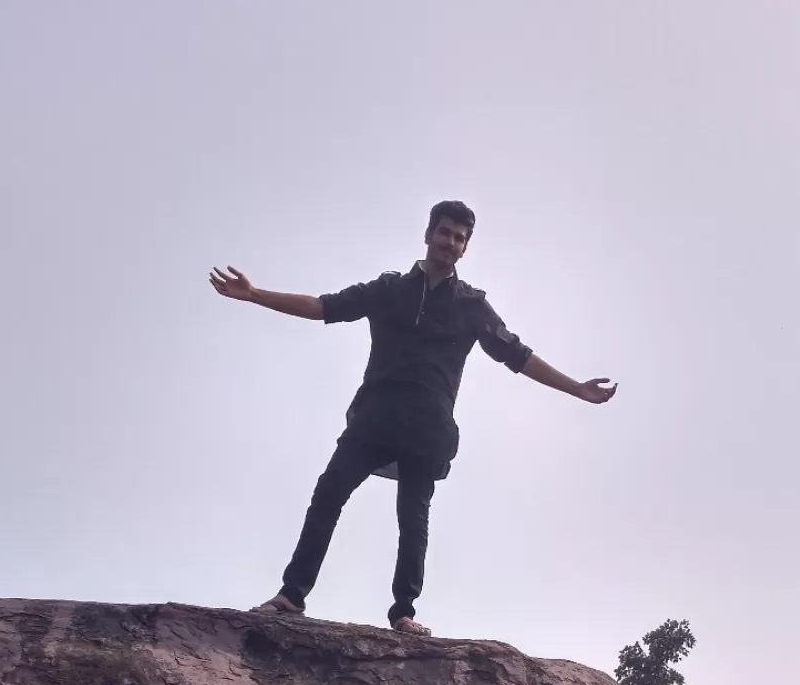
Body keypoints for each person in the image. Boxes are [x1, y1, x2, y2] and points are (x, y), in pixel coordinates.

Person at [209, 200, 617, 636]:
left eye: (460, 238)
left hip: (428, 428)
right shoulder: (389, 290)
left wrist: (575, 388)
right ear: (428, 234)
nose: (450, 243)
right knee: (328, 494)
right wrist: (255, 295)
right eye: (445, 232)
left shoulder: (472, 306)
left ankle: (404, 613)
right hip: (374, 417)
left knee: (413, 516)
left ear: (465, 248)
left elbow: (517, 355)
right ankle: (292, 595)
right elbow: (323, 306)